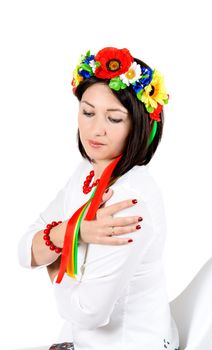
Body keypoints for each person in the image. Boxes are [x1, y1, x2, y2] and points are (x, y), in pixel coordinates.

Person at [18, 47, 180, 350]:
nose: (95, 129)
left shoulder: (129, 206)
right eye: (88, 112)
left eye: (115, 119)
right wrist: (71, 231)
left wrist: (55, 260)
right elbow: (24, 252)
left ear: (139, 125)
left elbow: (86, 312)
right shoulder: (86, 172)